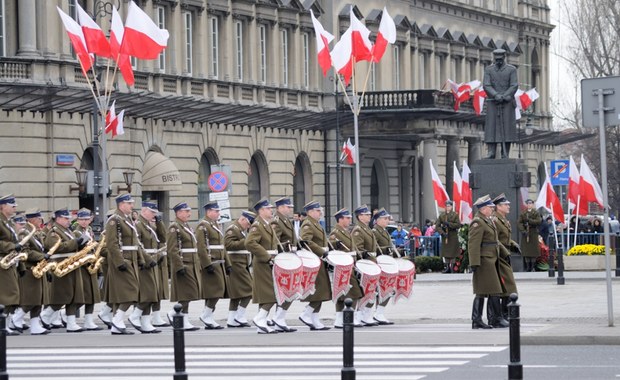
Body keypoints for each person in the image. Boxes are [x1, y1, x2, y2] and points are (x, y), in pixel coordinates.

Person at [41, 207, 90, 333]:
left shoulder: (68, 231)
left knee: (74, 295)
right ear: (58, 219)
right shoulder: (54, 232)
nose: (69, 221)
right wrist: (75, 242)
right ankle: (46, 315)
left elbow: (72, 245)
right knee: (62, 295)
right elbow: (56, 247)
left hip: (71, 266)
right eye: (65, 218)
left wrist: (81, 244)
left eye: (68, 218)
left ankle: (71, 322)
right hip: (61, 266)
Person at [104, 194, 144, 335]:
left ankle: (116, 324)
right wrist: (119, 262)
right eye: (129, 203)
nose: (132, 206)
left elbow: (135, 243)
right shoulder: (114, 220)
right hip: (123, 261)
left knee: (126, 293)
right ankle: (117, 319)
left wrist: (141, 260)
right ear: (121, 204)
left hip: (130, 259)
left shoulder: (126, 219)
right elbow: (111, 243)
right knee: (131, 291)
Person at [468, 195, 505, 329]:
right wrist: (474, 263)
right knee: (492, 289)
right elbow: (473, 244)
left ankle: (478, 320)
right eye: (490, 208)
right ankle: (495, 318)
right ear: (483, 209)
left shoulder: (486, 220)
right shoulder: (478, 222)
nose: (492, 210)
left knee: (484, 291)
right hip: (484, 260)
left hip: (491, 258)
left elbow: (494, 241)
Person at [131, 200, 166, 333]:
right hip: (145, 262)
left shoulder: (148, 225)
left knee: (153, 294)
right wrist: (143, 260)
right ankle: (135, 316)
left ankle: (145, 322)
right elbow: (138, 245)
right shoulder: (138, 225)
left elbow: (162, 238)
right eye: (152, 212)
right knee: (149, 293)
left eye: (155, 213)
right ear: (144, 211)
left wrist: (159, 221)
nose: (154, 215)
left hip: (153, 260)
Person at [15, 209, 51, 335]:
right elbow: (25, 251)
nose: (40, 220)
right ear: (31, 220)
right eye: (38, 218)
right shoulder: (24, 233)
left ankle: (35, 325)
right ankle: (16, 318)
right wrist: (41, 256)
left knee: (38, 299)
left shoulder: (36, 233)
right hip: (29, 269)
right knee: (31, 299)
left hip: (38, 269)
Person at [245, 199, 279, 334]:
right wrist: (266, 257)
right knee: (271, 294)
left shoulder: (267, 224)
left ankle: (262, 323)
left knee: (266, 295)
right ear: (261, 210)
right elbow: (250, 243)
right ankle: (259, 318)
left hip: (269, 262)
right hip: (263, 263)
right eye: (268, 208)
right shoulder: (258, 225)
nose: (271, 210)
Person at [167, 202, 201, 331]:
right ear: (179, 213)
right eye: (186, 211)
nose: (189, 214)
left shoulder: (185, 226)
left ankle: (183, 318)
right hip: (184, 264)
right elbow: (172, 249)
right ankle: (174, 314)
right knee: (186, 293)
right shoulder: (174, 227)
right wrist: (179, 266)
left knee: (189, 293)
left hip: (191, 263)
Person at [196, 201, 231, 330]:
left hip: (219, 263)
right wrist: (206, 264)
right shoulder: (203, 226)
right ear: (209, 212)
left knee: (216, 291)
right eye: (216, 211)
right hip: (211, 263)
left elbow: (222, 246)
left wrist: (228, 264)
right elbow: (201, 247)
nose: (218, 213)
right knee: (216, 290)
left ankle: (208, 316)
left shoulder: (215, 224)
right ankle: (206, 315)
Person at [298, 200, 332, 331]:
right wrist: (322, 252)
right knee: (319, 290)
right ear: (310, 212)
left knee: (322, 291)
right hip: (314, 261)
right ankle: (306, 313)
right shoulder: (308, 224)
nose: (320, 213)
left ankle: (314, 319)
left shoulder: (316, 224)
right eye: (318, 211)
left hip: (320, 260)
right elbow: (306, 242)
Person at [328, 208, 363, 328]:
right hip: (343, 267)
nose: (349, 220)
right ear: (340, 219)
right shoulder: (335, 233)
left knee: (346, 294)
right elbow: (331, 247)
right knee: (351, 293)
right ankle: (344, 319)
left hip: (350, 265)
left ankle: (340, 320)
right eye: (347, 218)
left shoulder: (346, 231)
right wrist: (334, 245)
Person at [482, 48, 518, 159]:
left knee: (507, 128)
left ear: (504, 57)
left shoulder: (511, 70)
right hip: (493, 102)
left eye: (500, 59)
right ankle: (491, 152)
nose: (498, 61)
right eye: (496, 59)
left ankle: (505, 152)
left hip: (507, 103)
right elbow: (486, 85)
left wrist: (505, 96)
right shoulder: (489, 70)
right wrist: (495, 95)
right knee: (491, 127)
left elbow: (514, 85)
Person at [224, 210, 256, 328]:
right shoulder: (233, 229)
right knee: (250, 290)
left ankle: (232, 319)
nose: (248, 227)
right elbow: (228, 244)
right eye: (248, 224)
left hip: (242, 264)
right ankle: (240, 315)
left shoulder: (241, 230)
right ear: (242, 220)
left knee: (237, 294)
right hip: (236, 264)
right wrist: (246, 242)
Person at [72, 208, 103, 331]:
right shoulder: (76, 232)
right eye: (82, 219)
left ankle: (89, 320)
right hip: (82, 265)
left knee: (92, 295)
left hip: (91, 264)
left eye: (86, 219)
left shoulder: (89, 230)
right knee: (83, 294)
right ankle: (66, 316)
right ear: (78, 220)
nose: (84, 222)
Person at [270, 197, 298, 331]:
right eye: (287, 207)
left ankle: (279, 318)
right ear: (280, 208)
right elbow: (274, 241)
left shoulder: (286, 220)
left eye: (290, 207)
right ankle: (278, 318)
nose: (290, 209)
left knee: (289, 291)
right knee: (286, 291)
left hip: (290, 259)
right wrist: (283, 251)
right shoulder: (276, 221)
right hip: (283, 260)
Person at [491, 194, 518, 327]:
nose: (508, 206)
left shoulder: (503, 219)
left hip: (504, 254)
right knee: (507, 285)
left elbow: (504, 237)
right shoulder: (495, 220)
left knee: (507, 286)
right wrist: (506, 251)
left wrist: (513, 244)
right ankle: (502, 315)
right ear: (498, 207)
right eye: (505, 205)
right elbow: (495, 239)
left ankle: (505, 314)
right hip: (499, 255)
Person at [350, 204, 379, 326]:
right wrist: (364, 258)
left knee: (371, 290)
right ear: (360, 216)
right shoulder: (358, 230)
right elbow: (358, 249)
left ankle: (366, 315)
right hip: (364, 264)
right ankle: (357, 315)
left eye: (369, 214)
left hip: (371, 262)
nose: (369, 216)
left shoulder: (367, 228)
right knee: (362, 290)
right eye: (367, 215)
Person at [0, 195, 24, 335]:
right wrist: (12, 246)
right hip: (3, 262)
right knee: (8, 294)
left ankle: (6, 325)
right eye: (11, 205)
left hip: (10, 261)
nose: (15, 207)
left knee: (12, 294)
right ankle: (3, 325)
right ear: (2, 206)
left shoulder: (7, 222)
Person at [372, 208, 397, 325]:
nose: (387, 220)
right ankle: (377, 313)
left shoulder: (384, 231)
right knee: (382, 289)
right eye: (385, 218)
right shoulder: (375, 232)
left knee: (387, 289)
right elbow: (373, 248)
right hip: (380, 263)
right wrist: (385, 250)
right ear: (378, 220)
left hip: (386, 263)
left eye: (388, 218)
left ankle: (379, 312)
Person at [435, 201, 461, 273]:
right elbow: (437, 226)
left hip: (452, 235)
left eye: (449, 206)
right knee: (446, 253)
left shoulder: (455, 215)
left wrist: (449, 224)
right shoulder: (442, 215)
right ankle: (447, 267)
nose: (448, 207)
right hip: (445, 236)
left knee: (452, 253)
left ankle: (452, 267)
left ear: (452, 207)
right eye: (446, 206)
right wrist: (442, 233)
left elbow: (458, 225)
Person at [518, 199, 542, 271]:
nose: (529, 205)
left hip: (533, 232)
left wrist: (530, 221)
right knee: (526, 250)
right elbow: (519, 222)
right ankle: (528, 266)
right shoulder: (523, 213)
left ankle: (532, 266)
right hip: (526, 233)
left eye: (531, 203)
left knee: (533, 250)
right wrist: (523, 230)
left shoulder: (536, 213)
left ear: (533, 204)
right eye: (528, 203)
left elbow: (538, 221)